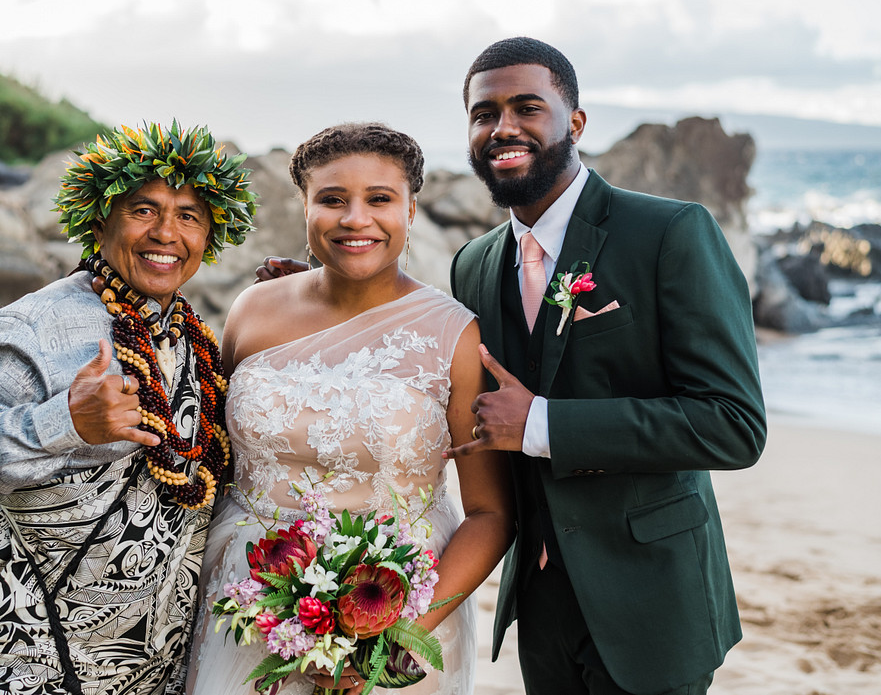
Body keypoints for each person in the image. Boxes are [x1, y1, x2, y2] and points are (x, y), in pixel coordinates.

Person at [260, 38, 767, 695]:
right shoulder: (474, 262)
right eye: (483, 113)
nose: (503, 126)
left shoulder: (669, 234)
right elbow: (429, 350)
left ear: (575, 122)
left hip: (652, 600)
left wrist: (542, 424)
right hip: (542, 603)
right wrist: (312, 290)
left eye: (528, 107)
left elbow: (733, 424)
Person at [185, 122, 514, 695]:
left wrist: (398, 636)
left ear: (412, 210)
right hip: (241, 599)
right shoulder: (253, 309)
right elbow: (212, 455)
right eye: (331, 199)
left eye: (379, 199)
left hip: (401, 603)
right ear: (305, 208)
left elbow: (491, 513)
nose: (355, 218)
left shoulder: (455, 335)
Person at [0, 121, 257, 695]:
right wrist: (68, 424)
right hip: (28, 644)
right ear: (100, 218)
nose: (166, 233)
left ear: (211, 235)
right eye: (143, 210)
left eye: (189, 216)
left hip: (154, 649)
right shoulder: (31, 326)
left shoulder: (192, 335)